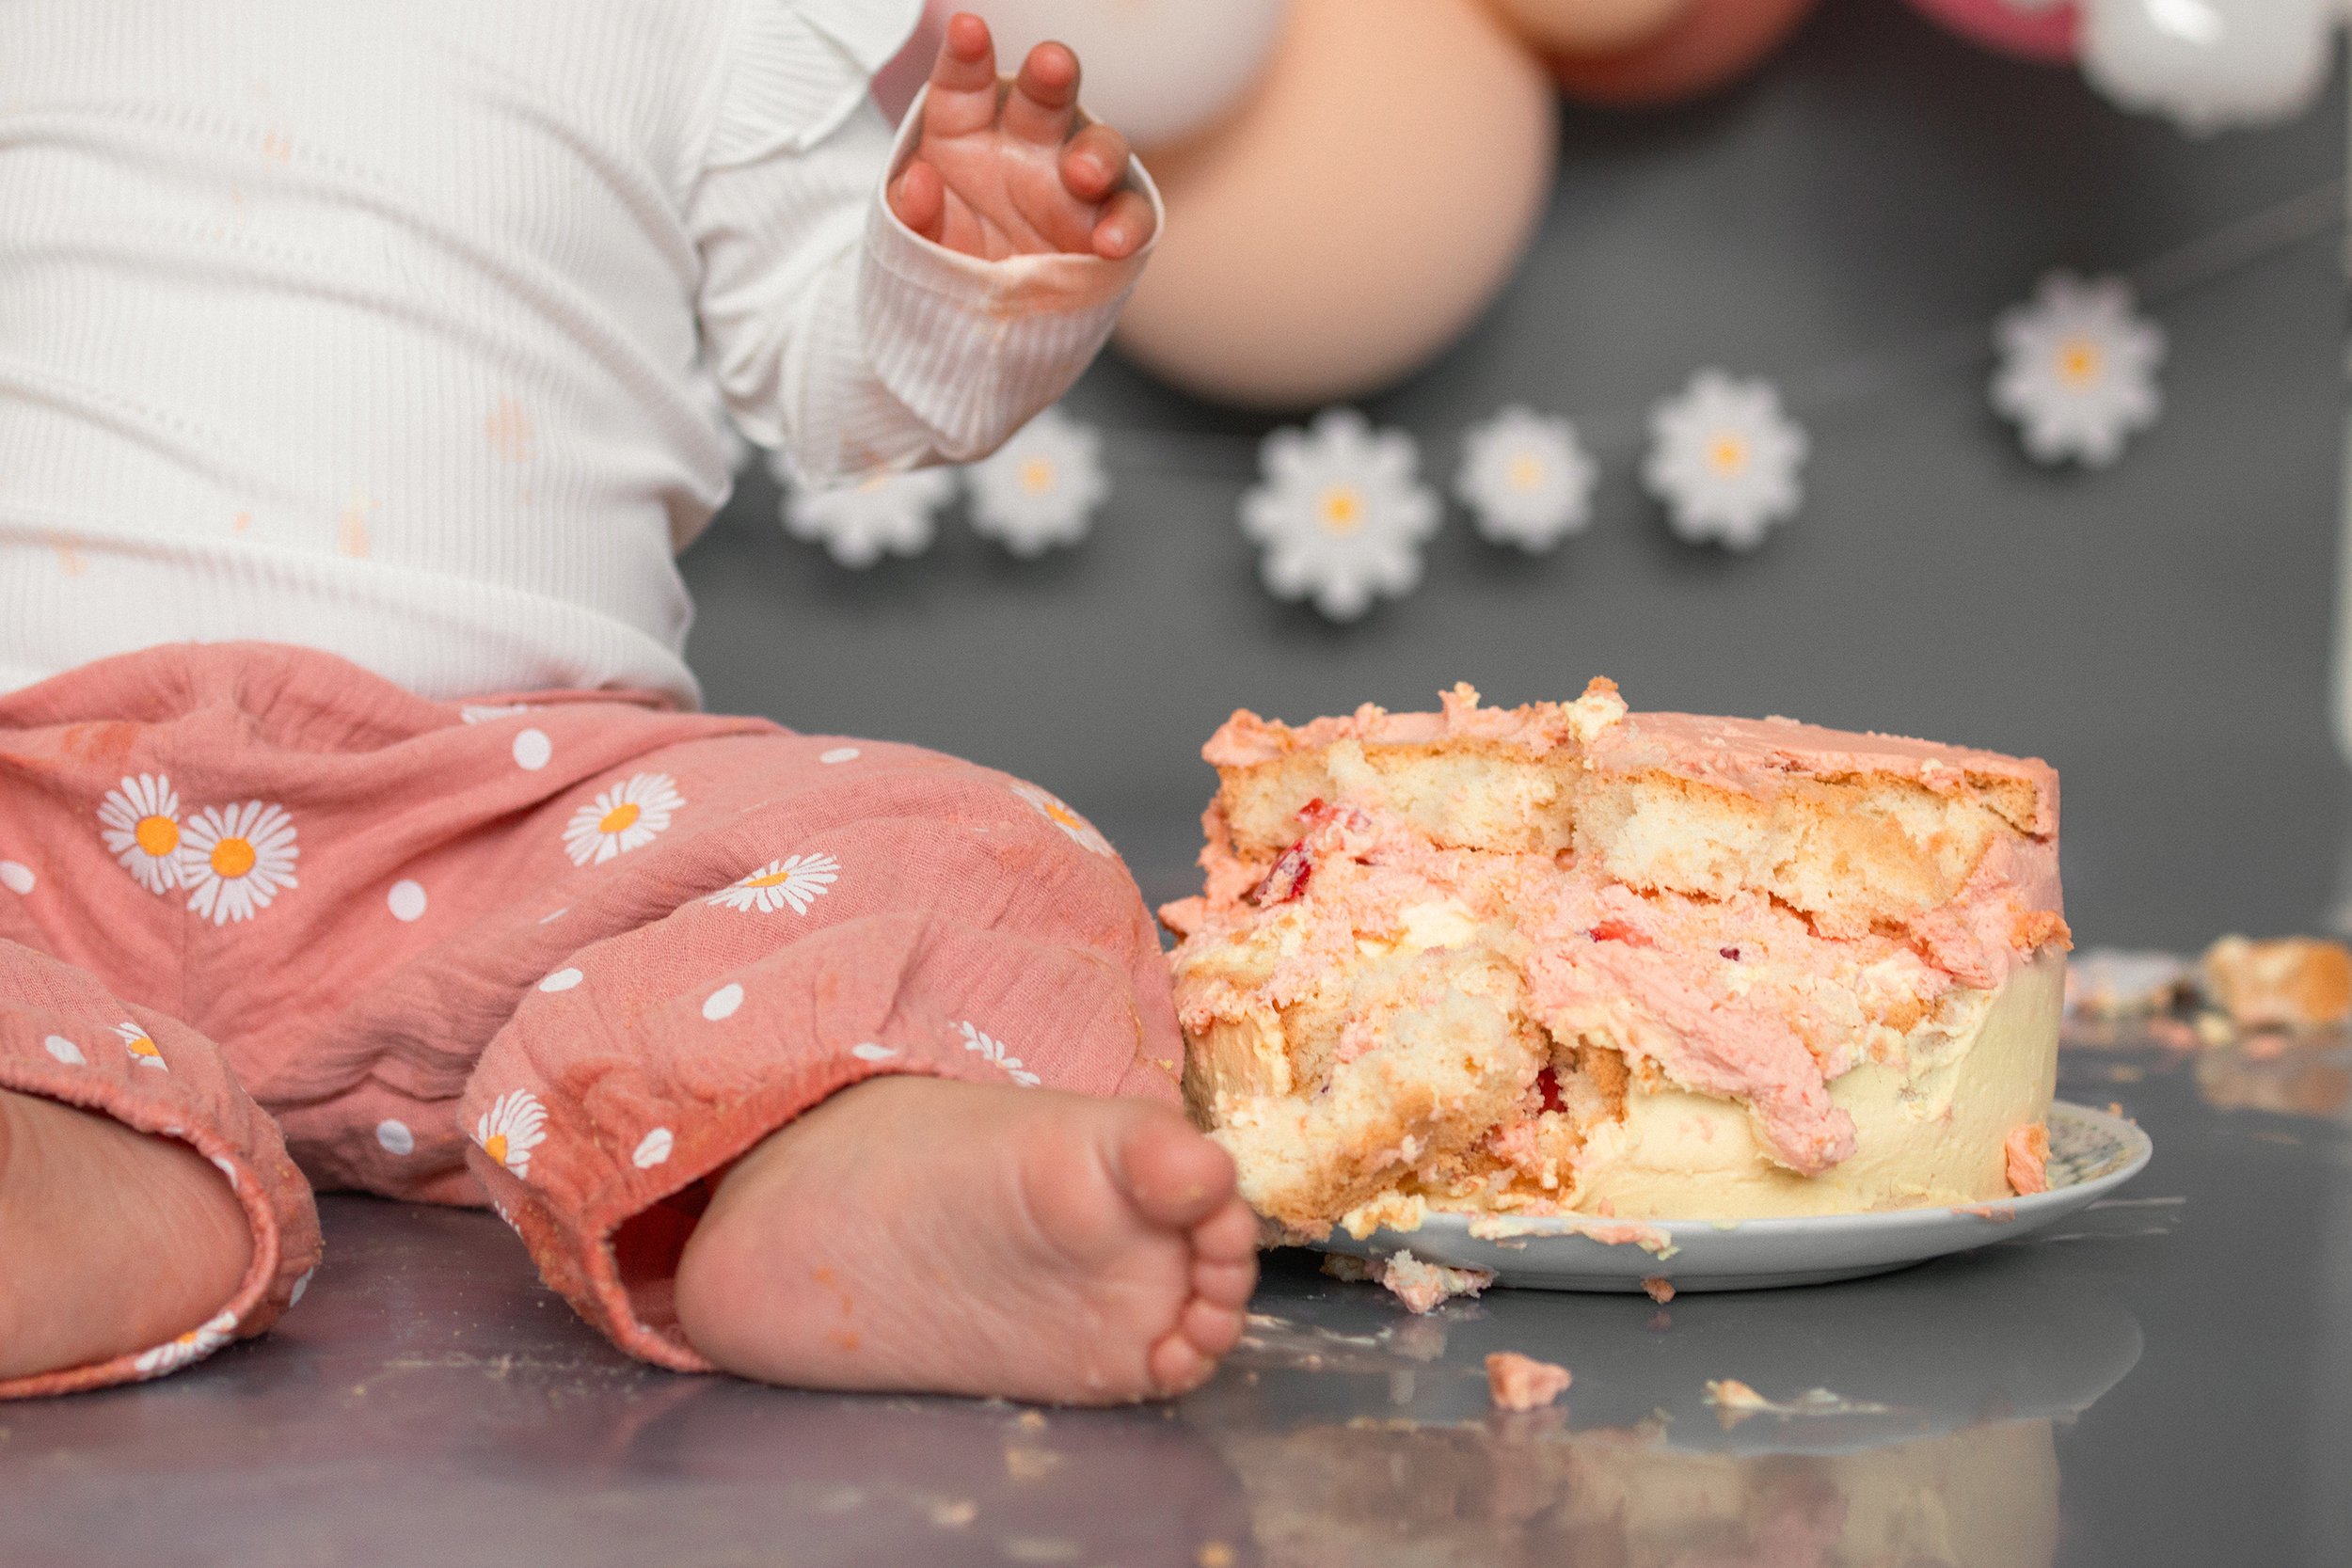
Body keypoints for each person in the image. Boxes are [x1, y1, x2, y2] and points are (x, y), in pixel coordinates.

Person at [0, 1, 1257, 1405]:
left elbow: (847, 384)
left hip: (526, 839)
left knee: (987, 846)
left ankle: (813, 1165)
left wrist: (967, 267)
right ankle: (74, 1178)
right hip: (23, 807)